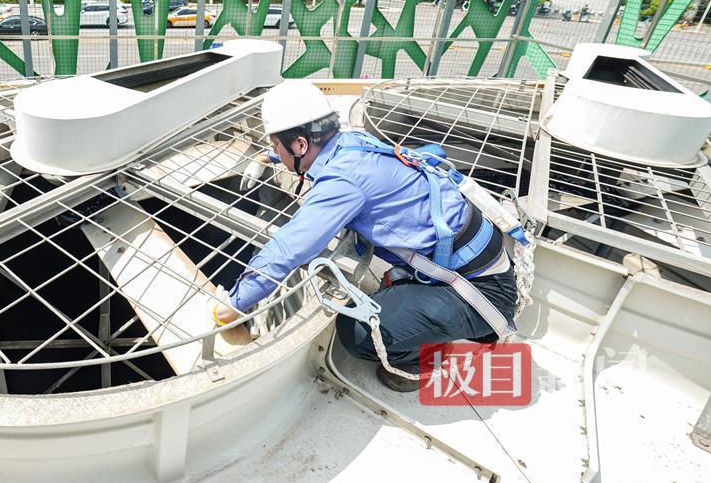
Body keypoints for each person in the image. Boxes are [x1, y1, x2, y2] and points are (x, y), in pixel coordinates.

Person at [215, 81, 518, 392]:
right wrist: (268, 158)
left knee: (356, 333)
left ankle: (419, 361)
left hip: (480, 293)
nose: (276, 149)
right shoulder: (353, 142)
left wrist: (232, 306)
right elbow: (306, 152)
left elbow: (287, 249)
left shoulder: (342, 182)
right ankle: (425, 314)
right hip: (480, 258)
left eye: (276, 144)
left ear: (301, 144)